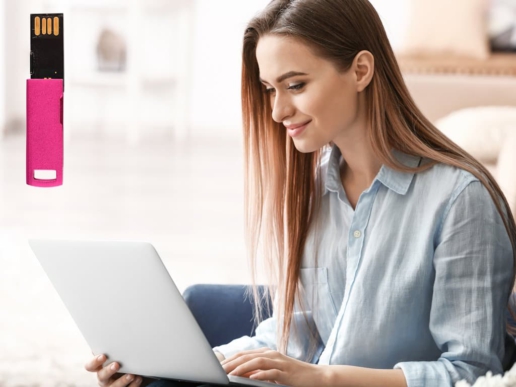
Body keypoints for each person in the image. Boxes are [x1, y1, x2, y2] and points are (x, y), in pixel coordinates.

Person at [84, 0, 516, 386]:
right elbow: (313, 325)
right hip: (314, 368)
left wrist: (324, 378)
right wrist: (197, 363)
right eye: (270, 89)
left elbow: (471, 373)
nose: (276, 111)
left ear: (361, 70)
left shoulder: (460, 200)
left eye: (295, 85)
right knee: (174, 349)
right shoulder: (318, 185)